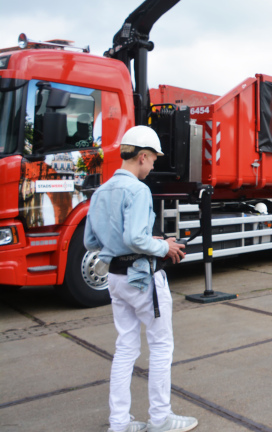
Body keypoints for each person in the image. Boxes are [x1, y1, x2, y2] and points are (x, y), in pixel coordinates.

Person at [84, 126, 198, 432]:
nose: (153, 167)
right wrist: (164, 245)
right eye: (153, 161)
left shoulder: (100, 192)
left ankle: (119, 424)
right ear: (143, 156)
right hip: (143, 279)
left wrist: (139, 240)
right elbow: (135, 237)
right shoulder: (137, 190)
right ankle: (160, 419)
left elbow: (91, 242)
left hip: (116, 280)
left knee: (125, 348)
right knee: (161, 346)